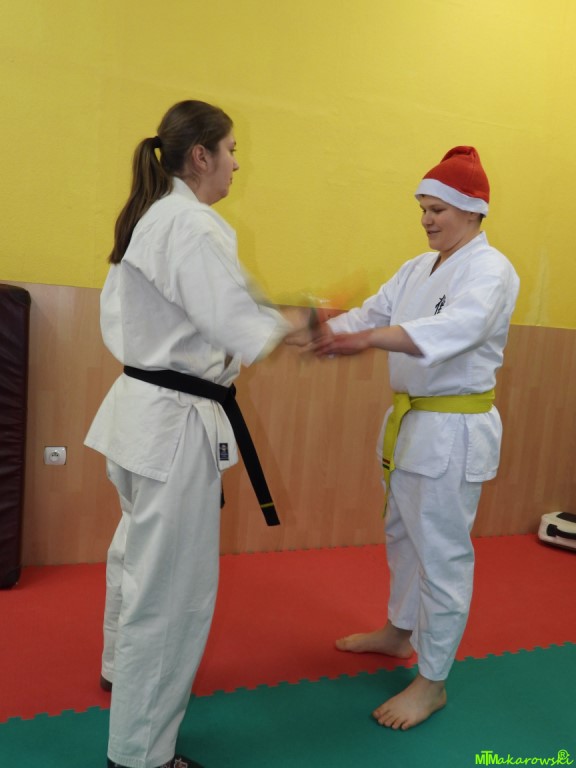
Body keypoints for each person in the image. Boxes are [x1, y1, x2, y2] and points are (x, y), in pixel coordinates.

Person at [85, 100, 303, 768]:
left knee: (134, 559)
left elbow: (213, 311)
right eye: (232, 149)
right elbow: (236, 324)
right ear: (201, 155)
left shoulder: (151, 216)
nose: (238, 163)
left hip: (139, 417)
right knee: (172, 593)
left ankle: (121, 672)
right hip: (174, 427)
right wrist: (298, 327)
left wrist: (274, 323)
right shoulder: (193, 224)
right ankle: (141, 755)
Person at [312, 146, 520, 730]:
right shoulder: (416, 268)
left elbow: (456, 328)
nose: (426, 220)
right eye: (423, 209)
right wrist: (322, 332)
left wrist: (367, 339)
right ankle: (399, 630)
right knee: (402, 534)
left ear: (472, 210)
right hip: (412, 424)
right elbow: (371, 314)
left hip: (454, 428)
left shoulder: (490, 270)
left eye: (437, 210)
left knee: (441, 555)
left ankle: (432, 683)